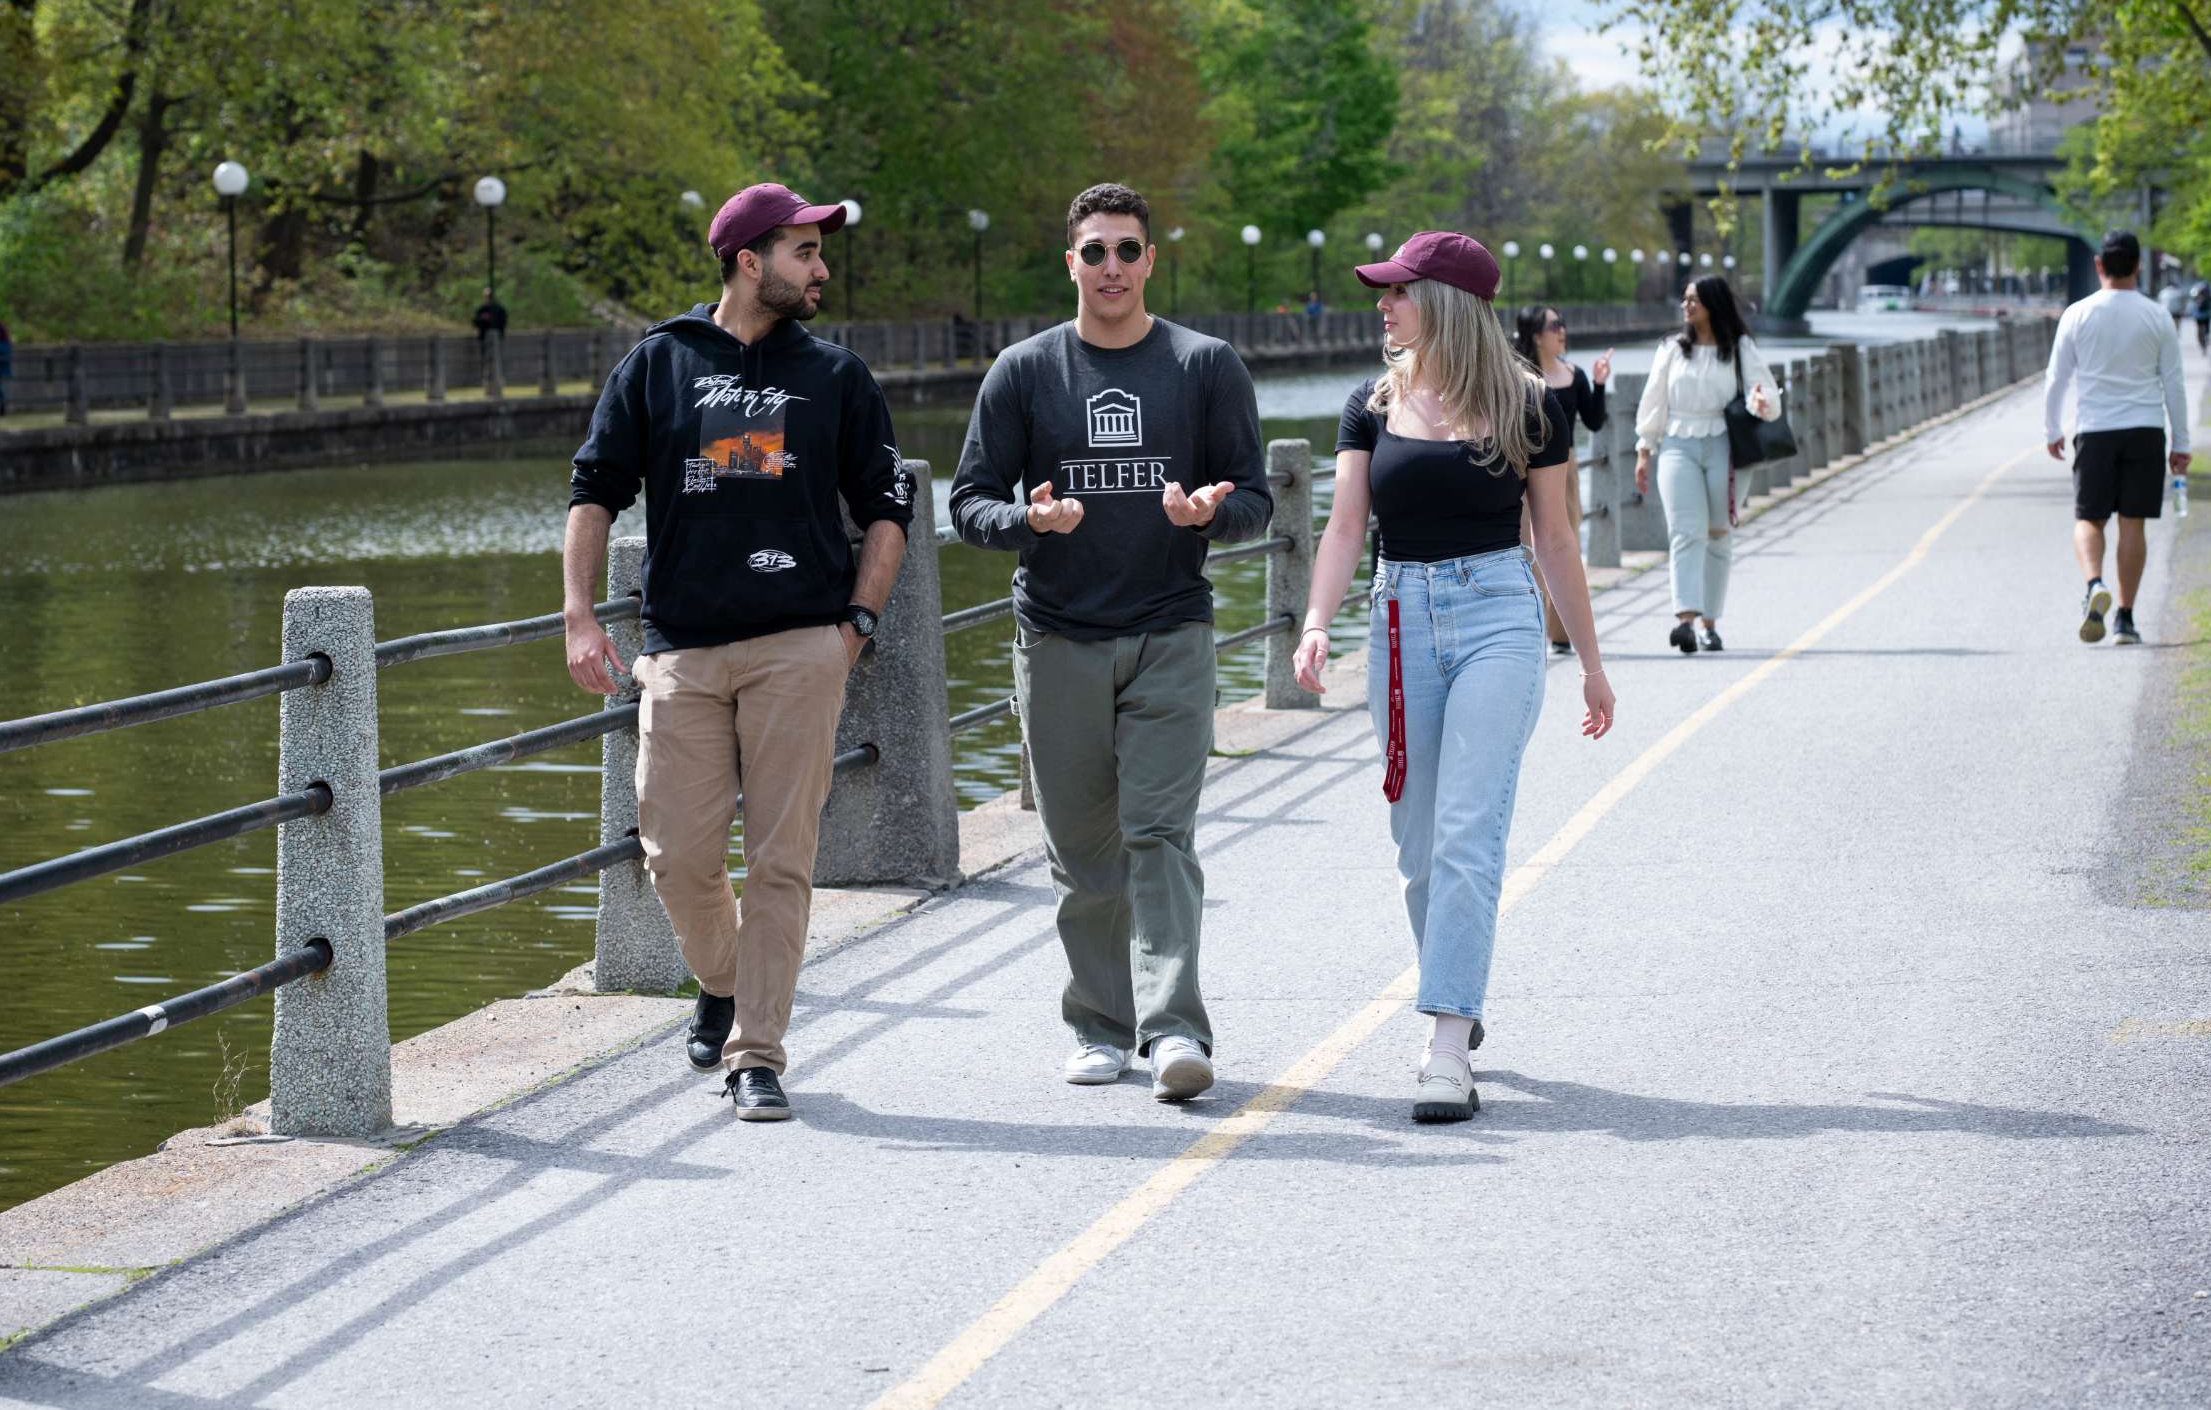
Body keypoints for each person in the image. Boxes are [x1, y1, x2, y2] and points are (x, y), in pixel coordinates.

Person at [563, 182, 913, 1123]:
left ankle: (757, 1053)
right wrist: (579, 617)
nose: (822, 269)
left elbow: (888, 509)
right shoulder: (658, 363)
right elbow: (594, 489)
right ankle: (723, 981)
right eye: (805, 251)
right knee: (673, 853)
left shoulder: (838, 376)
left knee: (781, 860)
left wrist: (855, 625)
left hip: (801, 645)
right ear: (749, 259)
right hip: (681, 647)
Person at [951, 181, 1270, 1105]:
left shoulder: (1205, 365)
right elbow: (969, 505)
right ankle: (1100, 1024)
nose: (1112, 267)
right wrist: (1028, 520)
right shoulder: (1023, 371)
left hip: (1172, 630)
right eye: (1095, 252)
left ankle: (1173, 1031)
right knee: (1081, 852)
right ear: (1072, 264)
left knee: (1159, 834)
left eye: (1128, 250)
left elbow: (1255, 496)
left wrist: (1211, 512)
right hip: (1056, 640)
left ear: (1151, 260)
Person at [1292, 232, 1615, 1124]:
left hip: (1497, 617)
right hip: (1398, 620)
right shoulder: (1371, 404)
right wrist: (1318, 624)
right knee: (1417, 840)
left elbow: (1554, 540)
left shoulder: (1529, 408)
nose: (1383, 306)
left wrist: (1590, 664)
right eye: (1385, 292)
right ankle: (1456, 985)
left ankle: (1444, 1045)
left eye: (1400, 291)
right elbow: (1344, 528)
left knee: (1469, 832)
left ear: (1449, 304)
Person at [2043, 229, 2189, 647]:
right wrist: (2181, 442)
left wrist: (2052, 430)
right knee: (2133, 523)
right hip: (2145, 428)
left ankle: (2094, 585)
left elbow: (2057, 378)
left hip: (2095, 429)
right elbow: (2173, 384)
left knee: (2089, 518)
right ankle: (2125, 619)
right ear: (2139, 266)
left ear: (2098, 265)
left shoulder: (2077, 314)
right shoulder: (2157, 316)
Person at [1631, 276, 1780, 654]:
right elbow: (1654, 399)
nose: (1686, 305)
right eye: (1684, 299)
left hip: (1725, 447)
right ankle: (1685, 620)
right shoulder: (1671, 348)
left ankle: (1710, 623)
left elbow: (1766, 394)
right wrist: (1644, 450)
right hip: (1678, 444)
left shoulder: (1739, 347)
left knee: (1717, 535)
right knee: (1684, 531)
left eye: (1693, 299)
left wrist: (1761, 404)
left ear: (1714, 303)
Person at [1511, 305, 1613, 653]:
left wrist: (1599, 384)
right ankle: (1529, 624)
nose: (1562, 330)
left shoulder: (1575, 374)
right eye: (1555, 325)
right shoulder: (1513, 376)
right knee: (1524, 545)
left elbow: (1595, 422)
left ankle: (1560, 632)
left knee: (1563, 538)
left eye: (1562, 324)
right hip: (1518, 465)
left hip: (1563, 467)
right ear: (1537, 334)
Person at [2191, 283, 2211, 356]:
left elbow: (2193, 305)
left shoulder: (2196, 295)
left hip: (2198, 316)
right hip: (2206, 315)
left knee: (2199, 329)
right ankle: (2206, 337)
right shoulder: (2207, 295)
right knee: (2207, 328)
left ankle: (2200, 341)